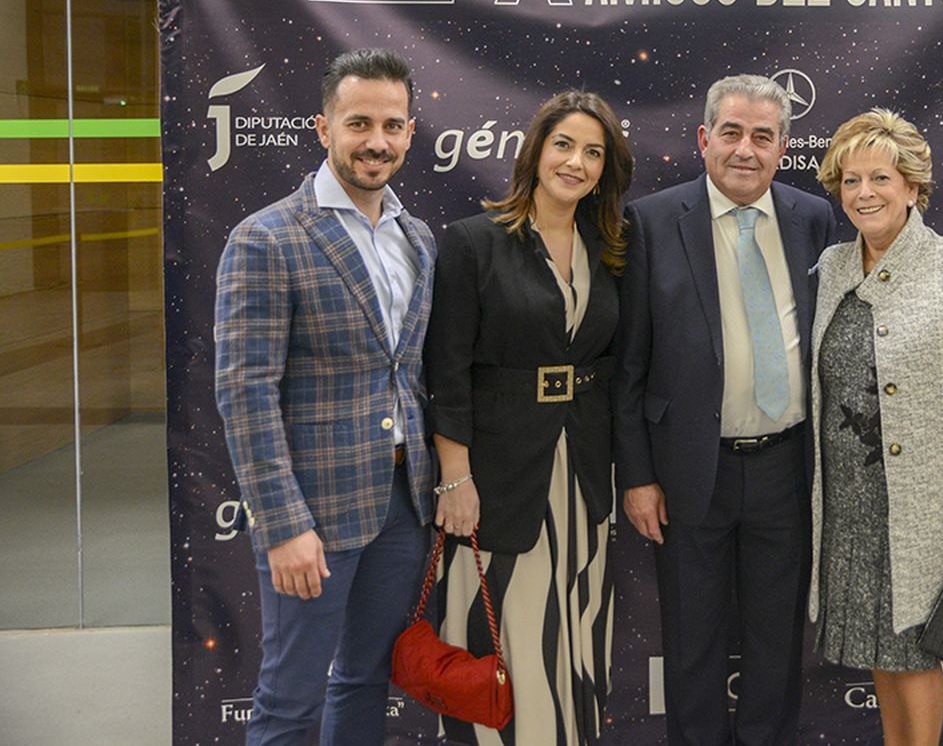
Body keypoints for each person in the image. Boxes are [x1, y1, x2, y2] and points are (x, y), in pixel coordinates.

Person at [214, 48, 435, 746]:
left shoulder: (418, 239)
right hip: (312, 515)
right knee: (289, 700)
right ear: (322, 128)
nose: (377, 141)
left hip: (403, 506)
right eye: (359, 122)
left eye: (392, 125)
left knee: (365, 679)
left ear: (409, 132)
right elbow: (246, 393)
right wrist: (282, 525)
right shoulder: (267, 237)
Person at [614, 74, 835, 745]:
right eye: (732, 133)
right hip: (686, 474)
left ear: (783, 148)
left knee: (776, 644)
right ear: (705, 139)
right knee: (691, 642)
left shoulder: (814, 218)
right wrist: (638, 477)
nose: (746, 150)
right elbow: (628, 367)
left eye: (763, 137)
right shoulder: (651, 221)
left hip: (786, 469)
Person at [424, 90, 634, 745]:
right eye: (564, 145)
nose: (577, 162)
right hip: (499, 479)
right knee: (501, 646)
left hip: (583, 481)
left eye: (593, 152)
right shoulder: (473, 242)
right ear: (536, 151)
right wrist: (455, 477)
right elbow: (446, 370)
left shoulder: (610, 247)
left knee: (575, 637)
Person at [808, 109, 943, 746]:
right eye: (850, 180)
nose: (863, 193)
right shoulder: (835, 266)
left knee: (917, 652)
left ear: (914, 188)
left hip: (925, 501)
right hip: (848, 498)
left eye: (880, 178)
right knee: (880, 646)